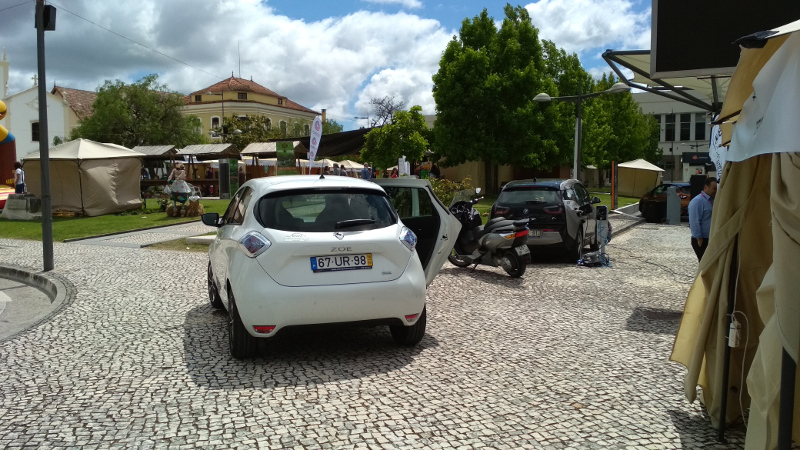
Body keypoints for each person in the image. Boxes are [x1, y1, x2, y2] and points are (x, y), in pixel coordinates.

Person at [688, 177, 717, 261]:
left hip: (710, 238)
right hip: (702, 239)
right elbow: (694, 221)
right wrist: (699, 238)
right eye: (714, 188)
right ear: (706, 187)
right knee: (705, 265)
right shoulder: (697, 201)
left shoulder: (714, 200)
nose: (716, 191)